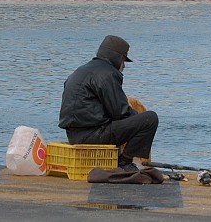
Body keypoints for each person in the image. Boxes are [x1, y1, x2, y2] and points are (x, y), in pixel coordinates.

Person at [59, 35, 158, 172]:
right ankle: (126, 161)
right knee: (150, 119)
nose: (123, 66)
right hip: (93, 136)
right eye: (123, 61)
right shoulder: (108, 73)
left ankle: (122, 158)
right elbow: (121, 113)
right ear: (117, 58)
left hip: (73, 136)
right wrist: (138, 119)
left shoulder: (81, 70)